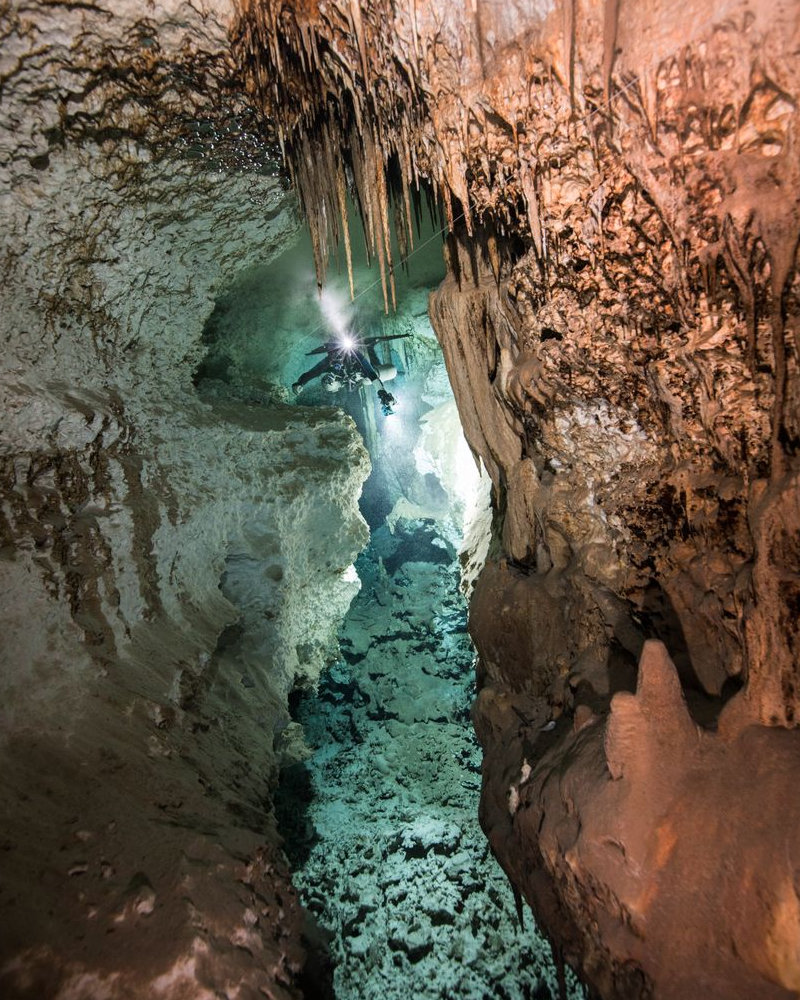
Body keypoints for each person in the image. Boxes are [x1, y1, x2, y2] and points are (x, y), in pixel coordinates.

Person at [292, 333, 408, 414]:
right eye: (333, 353)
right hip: (357, 378)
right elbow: (313, 372)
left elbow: (372, 375)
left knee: (371, 376)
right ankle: (371, 347)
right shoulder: (329, 364)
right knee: (365, 380)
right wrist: (300, 383)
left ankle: (370, 346)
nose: (337, 356)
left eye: (336, 351)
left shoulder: (355, 356)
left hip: (363, 368)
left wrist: (383, 394)